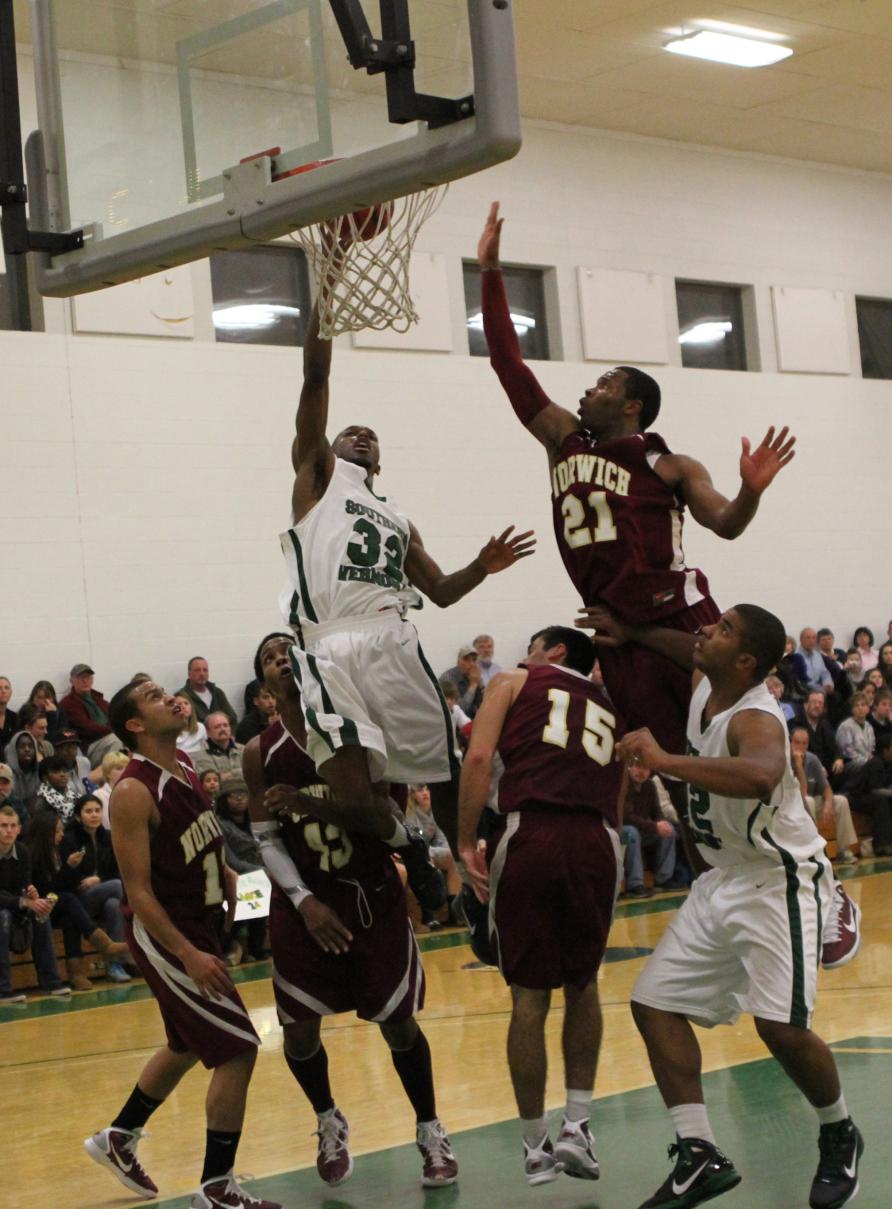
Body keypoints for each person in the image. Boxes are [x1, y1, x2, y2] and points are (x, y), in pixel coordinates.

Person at [477, 202, 794, 781]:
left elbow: (726, 523)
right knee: (669, 766)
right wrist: (492, 274)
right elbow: (507, 361)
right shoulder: (563, 440)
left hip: (680, 614)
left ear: (631, 407)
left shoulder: (667, 463)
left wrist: (751, 491)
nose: (587, 391)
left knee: (722, 745)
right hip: (614, 630)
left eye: (603, 385)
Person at [587, 602, 863, 1209]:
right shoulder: (705, 682)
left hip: (776, 881)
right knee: (654, 1004)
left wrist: (662, 761)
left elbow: (763, 775)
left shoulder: (756, 716)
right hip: (722, 881)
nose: (707, 632)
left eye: (724, 630)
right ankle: (699, 1151)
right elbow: (682, 646)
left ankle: (839, 1130)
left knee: (780, 1029)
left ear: (745, 662)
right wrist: (631, 628)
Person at [279, 297, 533, 896]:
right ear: (328, 447)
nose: (361, 434)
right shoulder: (317, 479)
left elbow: (441, 591)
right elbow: (316, 375)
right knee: (356, 794)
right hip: (327, 643)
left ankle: (469, 871)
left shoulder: (396, 517)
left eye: (371, 436)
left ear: (381, 459)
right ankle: (410, 852)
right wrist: (326, 297)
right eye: (350, 432)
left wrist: (483, 565)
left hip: (391, 637)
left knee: (442, 769)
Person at [244, 633, 458, 1189]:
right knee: (298, 1032)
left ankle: (430, 1130)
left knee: (399, 1024)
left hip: (370, 896)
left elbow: (388, 825)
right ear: (263, 685)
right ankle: (327, 1119)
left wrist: (310, 800)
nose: (279, 660)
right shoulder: (257, 753)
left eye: (287, 650)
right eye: (268, 657)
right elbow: (266, 841)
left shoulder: (357, 731)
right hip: (305, 902)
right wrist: (303, 900)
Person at [84, 678, 280, 1209]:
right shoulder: (132, 791)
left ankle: (118, 1137)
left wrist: (269, 906)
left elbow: (214, 860)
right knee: (237, 1049)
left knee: (188, 1042)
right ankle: (216, 1187)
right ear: (135, 725)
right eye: (152, 696)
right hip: (168, 937)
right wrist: (189, 954)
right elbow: (139, 893)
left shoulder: (189, 769)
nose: (169, 696)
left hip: (202, 923)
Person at [458, 625, 624, 1186]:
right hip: (599, 839)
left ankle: (535, 1145)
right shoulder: (610, 700)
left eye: (530, 645)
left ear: (554, 652)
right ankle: (580, 1127)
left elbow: (479, 756)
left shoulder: (512, 680)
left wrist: (463, 843)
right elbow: (620, 780)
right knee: (585, 982)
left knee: (529, 998)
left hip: (532, 832)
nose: (523, 655)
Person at [23, 809, 130, 992]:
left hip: (58, 905)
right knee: (70, 900)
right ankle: (105, 945)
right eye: (57, 831)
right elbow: (47, 890)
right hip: (37, 908)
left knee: (71, 915)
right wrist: (68, 868)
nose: (61, 834)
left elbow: (68, 884)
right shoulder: (32, 855)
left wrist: (71, 868)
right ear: (46, 832)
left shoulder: (58, 850)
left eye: (62, 830)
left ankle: (76, 973)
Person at [0, 804, 70, 1001]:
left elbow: (24, 883)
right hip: (5, 909)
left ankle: (51, 982)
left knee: (41, 913)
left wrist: (30, 892)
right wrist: (24, 901)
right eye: (3, 825)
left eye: (13, 826)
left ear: (19, 829)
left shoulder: (22, 852)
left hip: (14, 905)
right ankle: (2, 990)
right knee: (2, 916)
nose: (8, 830)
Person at [60, 794, 131, 982]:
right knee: (117, 887)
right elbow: (68, 882)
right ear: (78, 817)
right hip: (80, 899)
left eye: (97, 810)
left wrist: (98, 879)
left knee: (113, 904)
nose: (94, 815)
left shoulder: (108, 837)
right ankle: (137, 930)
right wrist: (73, 868)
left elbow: (119, 871)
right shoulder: (70, 840)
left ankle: (114, 964)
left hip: (104, 893)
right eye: (88, 811)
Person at [213, 777, 267, 965]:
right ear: (224, 799)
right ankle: (237, 944)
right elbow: (230, 859)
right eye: (233, 795)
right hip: (238, 875)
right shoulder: (220, 823)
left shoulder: (257, 820)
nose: (239, 799)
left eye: (243, 794)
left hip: (264, 872)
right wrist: (261, 871)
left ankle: (256, 946)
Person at [790, 728, 859, 864]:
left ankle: (843, 850)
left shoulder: (812, 759)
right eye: (797, 743)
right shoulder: (785, 760)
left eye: (804, 743)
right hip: (792, 804)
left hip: (812, 802)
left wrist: (828, 805)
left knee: (840, 801)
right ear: (790, 742)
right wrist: (798, 765)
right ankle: (813, 850)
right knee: (808, 801)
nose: (800, 747)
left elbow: (826, 788)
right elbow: (802, 793)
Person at [406, 784, 463, 929]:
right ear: (413, 795)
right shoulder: (410, 813)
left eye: (427, 789)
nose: (425, 793)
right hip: (415, 853)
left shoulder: (436, 812)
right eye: (420, 790)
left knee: (453, 857)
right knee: (425, 859)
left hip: (431, 850)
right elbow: (412, 842)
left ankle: (454, 913)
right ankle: (428, 915)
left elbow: (442, 840)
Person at [59, 664, 118, 761]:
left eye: (88, 677)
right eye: (80, 677)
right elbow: (87, 727)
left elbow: (115, 716)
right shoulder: (68, 703)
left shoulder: (99, 699)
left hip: (108, 738)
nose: (85, 680)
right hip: (89, 747)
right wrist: (115, 730)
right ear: (71, 681)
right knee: (116, 740)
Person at [177, 657, 238, 728]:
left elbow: (233, 718)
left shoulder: (217, 692)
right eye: (197, 670)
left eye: (205, 670)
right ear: (189, 673)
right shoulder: (182, 697)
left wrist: (232, 735)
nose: (202, 673)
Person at [194, 712, 245, 780]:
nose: (223, 729)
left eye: (225, 725)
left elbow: (252, 773)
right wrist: (240, 772)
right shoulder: (200, 754)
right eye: (217, 727)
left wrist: (228, 774)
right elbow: (212, 780)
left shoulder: (244, 749)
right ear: (208, 732)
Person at [440, 645, 485, 717]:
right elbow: (456, 710)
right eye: (466, 659)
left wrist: (480, 685)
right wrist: (473, 686)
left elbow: (483, 705)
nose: (471, 663)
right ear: (458, 662)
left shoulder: (475, 676)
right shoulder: (448, 678)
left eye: (474, 660)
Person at [35, 755, 79, 822]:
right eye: (56, 771)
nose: (62, 774)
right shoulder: (40, 802)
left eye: (65, 771)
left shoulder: (77, 797)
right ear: (45, 777)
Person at [796, 628, 834, 695]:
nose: (811, 641)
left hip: (821, 690)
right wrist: (820, 689)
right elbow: (800, 682)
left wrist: (828, 684)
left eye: (814, 638)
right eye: (808, 638)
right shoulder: (796, 656)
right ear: (801, 639)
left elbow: (825, 673)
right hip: (804, 691)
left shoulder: (817, 655)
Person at [174, 693, 208, 757]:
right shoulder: (170, 729)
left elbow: (205, 749)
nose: (183, 707)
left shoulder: (200, 727)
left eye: (186, 703)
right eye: (179, 704)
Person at [0, 677, 18, 754]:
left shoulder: (14, 717)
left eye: (6, 688)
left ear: (11, 693)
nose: (3, 691)